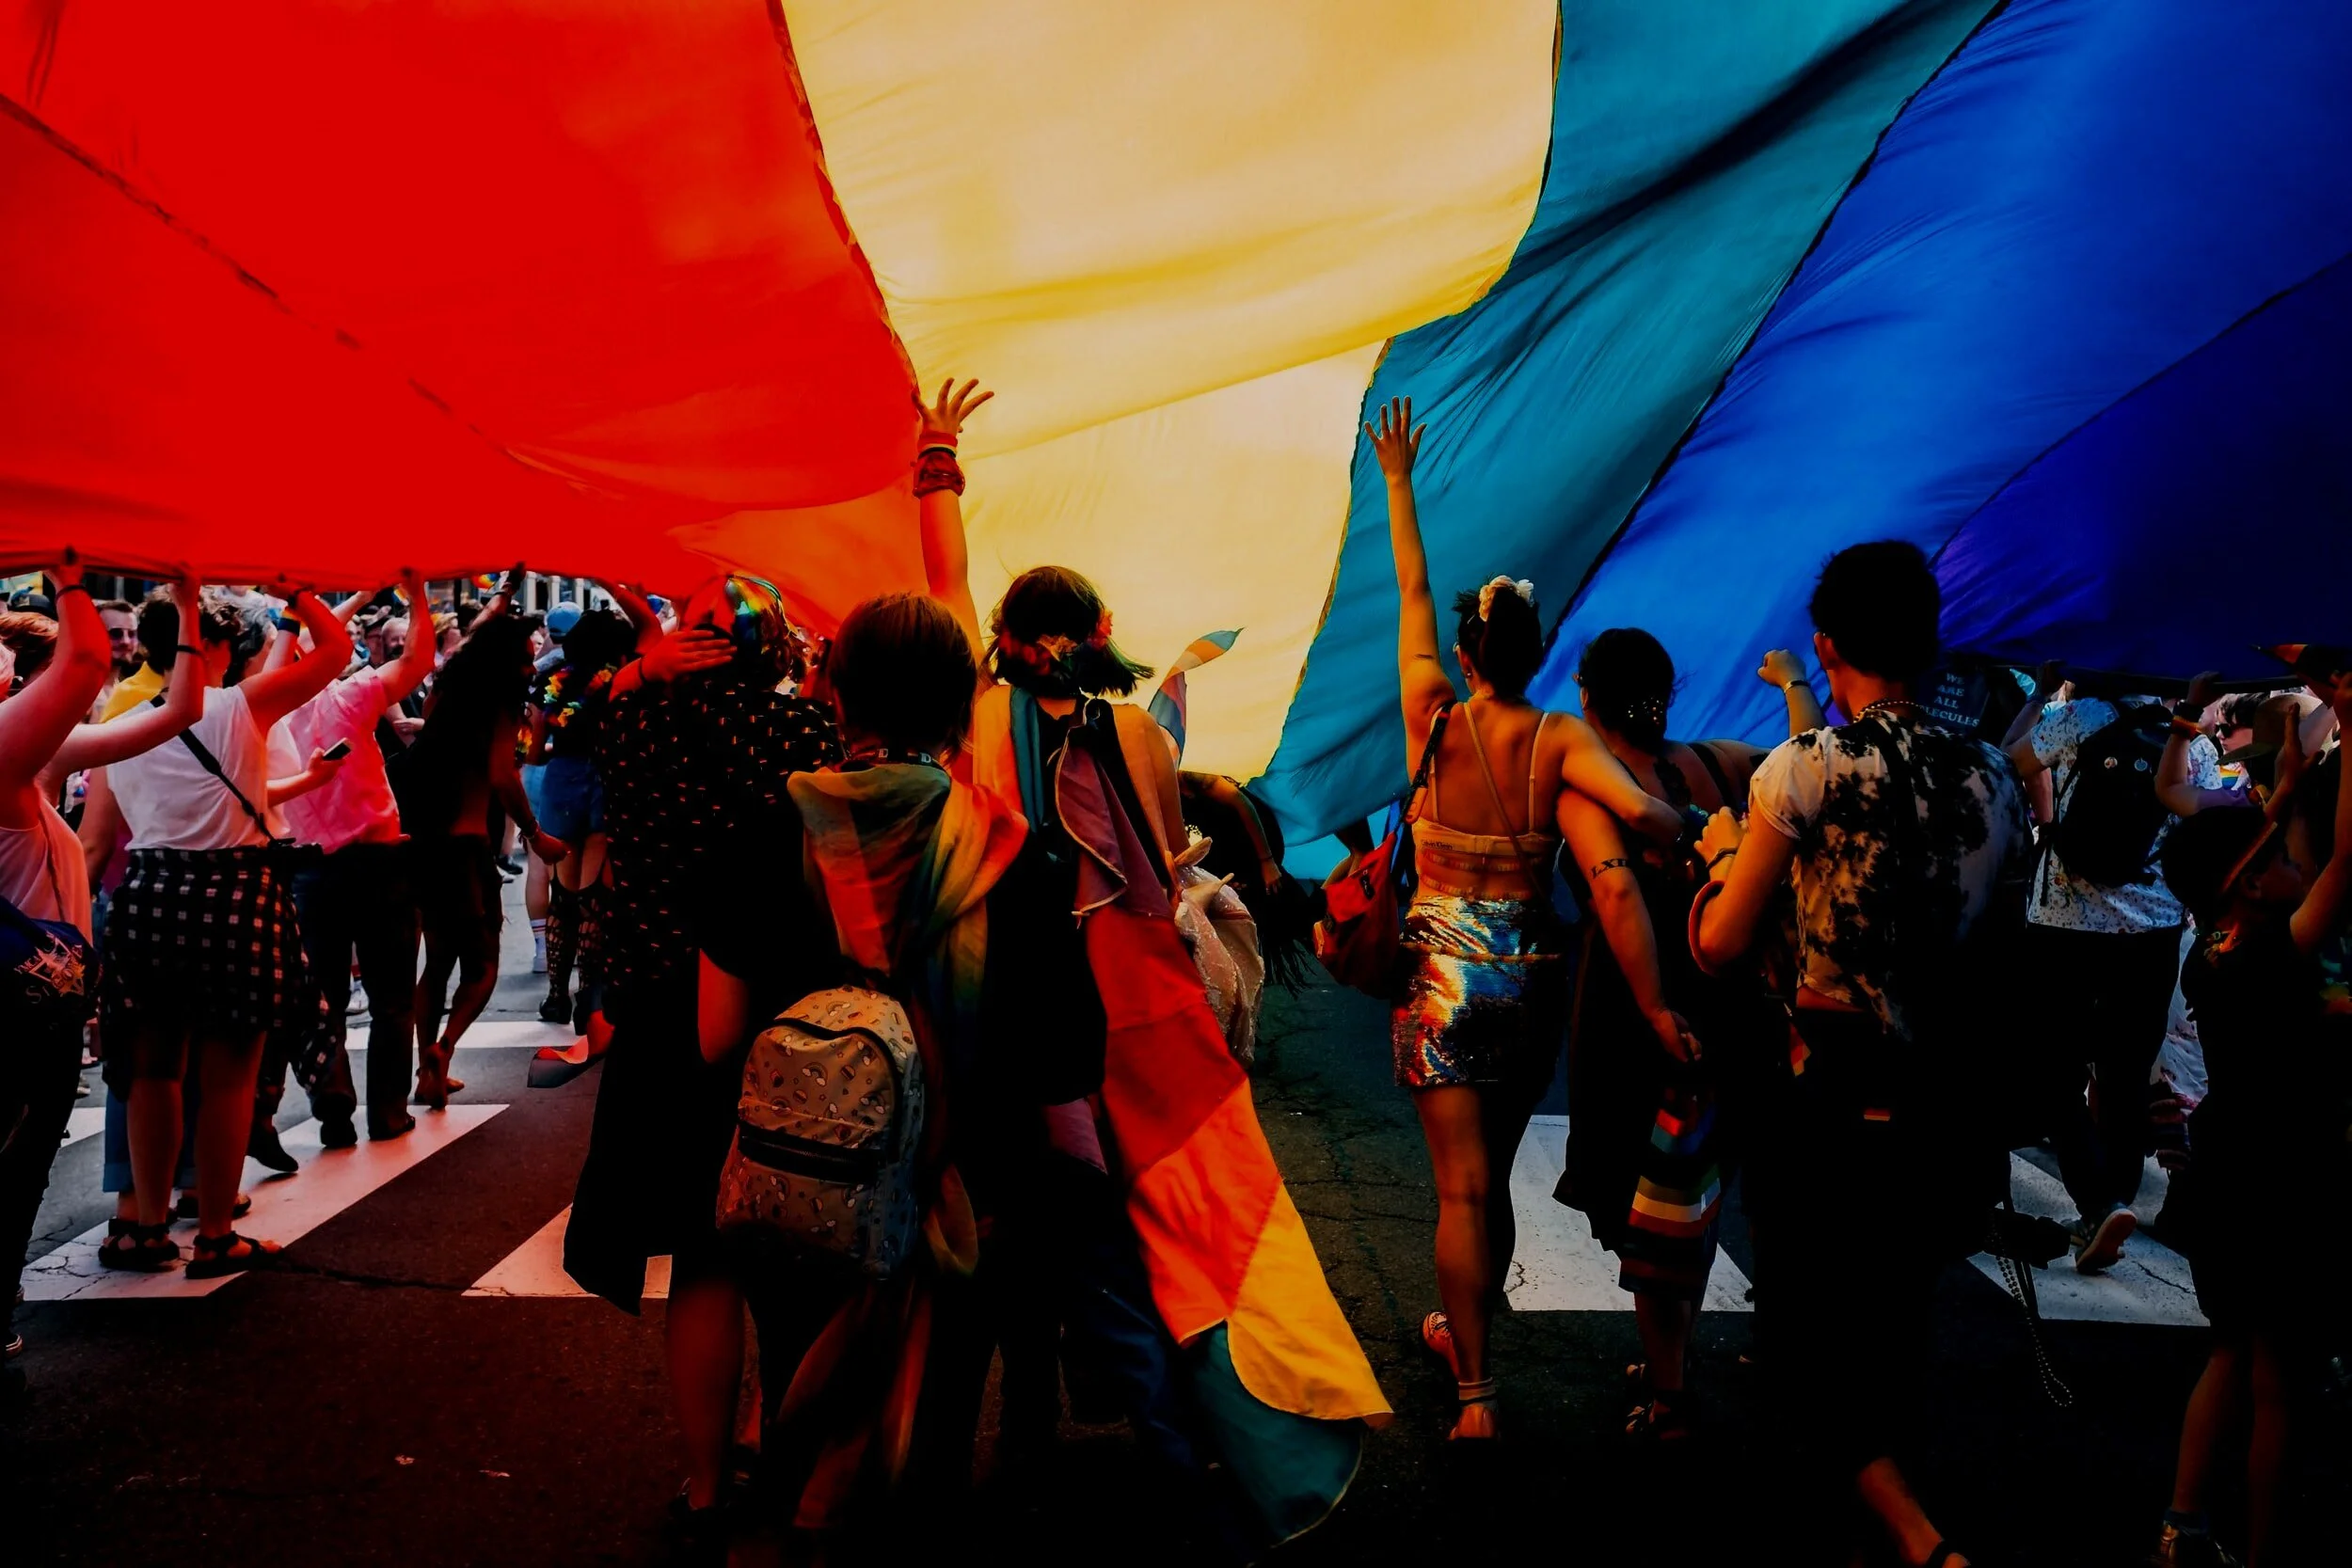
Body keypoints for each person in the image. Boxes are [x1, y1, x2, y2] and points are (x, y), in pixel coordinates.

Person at [1693, 540, 2033, 1568]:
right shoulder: (1995, 777)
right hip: (1944, 1094)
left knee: (1806, 1311)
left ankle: (1902, 1523)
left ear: (1826, 644)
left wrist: (1720, 859)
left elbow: (1720, 944)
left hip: (1829, 1091)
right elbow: (2002, 944)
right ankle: (1881, 1490)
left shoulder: (1807, 767)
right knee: (1895, 1308)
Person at [1367, 396, 1685, 1441]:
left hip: (1439, 974)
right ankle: (1469, 1334)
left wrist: (1399, 481)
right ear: (1538, 655)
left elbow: (1412, 588)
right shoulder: (1558, 738)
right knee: (1492, 1180)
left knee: (1457, 1190)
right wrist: (1700, 827)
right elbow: (1642, 812)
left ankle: (1474, 1393)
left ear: (1466, 653)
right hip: (1529, 977)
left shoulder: (1431, 715)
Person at [697, 590, 1023, 1544]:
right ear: (961, 705)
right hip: (965, 1193)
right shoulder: (1010, 851)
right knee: (934, 1433)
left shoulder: (771, 829)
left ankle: (800, 1523)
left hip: (804, 1186)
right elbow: (1060, 1054)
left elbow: (717, 1037)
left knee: (800, 1390)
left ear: (836, 697)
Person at [564, 574, 838, 1539]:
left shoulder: (636, 726)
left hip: (665, 1023)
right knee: (801, 1260)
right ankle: (792, 1471)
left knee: (704, 1261)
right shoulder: (805, 733)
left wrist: (640, 670)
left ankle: (710, 1488)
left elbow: (572, 717)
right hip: (786, 1021)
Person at [1556, 627, 1809, 1440]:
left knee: (1654, 1202)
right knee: (1701, 1190)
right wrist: (1793, 685)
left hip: (1644, 1011)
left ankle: (1669, 1394)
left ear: (1588, 699)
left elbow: (1616, 894)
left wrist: (1657, 1009)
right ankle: (1689, 1359)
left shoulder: (1590, 789)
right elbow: (1808, 761)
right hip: (1737, 1002)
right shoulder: (1726, 762)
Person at [2141, 671, 2352, 1568]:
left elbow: (2267, 846)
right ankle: (2263, 1553)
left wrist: (2291, 782)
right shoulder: (2280, 951)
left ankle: (2181, 1523)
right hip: (2281, 1178)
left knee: (2226, 1354)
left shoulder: (2214, 948)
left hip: (2223, 1172)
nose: (2294, 857)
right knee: (2278, 1385)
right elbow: (2347, 859)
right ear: (2255, 888)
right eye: (2278, 859)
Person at [97, 583, 353, 1276]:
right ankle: (214, 1234)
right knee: (229, 1076)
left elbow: (105, 833)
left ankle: (148, 1230)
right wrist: (294, 588)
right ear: (207, 644)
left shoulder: (121, 726)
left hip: (148, 894)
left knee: (152, 1071)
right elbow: (336, 650)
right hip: (236, 892)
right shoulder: (241, 704)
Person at [1, 566, 201, 1356]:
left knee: (24, 1163)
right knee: (14, 1164)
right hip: (15, 1003)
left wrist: (187, 607)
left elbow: (178, 711)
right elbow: (86, 662)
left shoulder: (30, 757)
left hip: (41, 1000)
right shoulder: (5, 755)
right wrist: (69, 572)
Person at [2004, 665, 2230, 1270]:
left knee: (2054, 1068)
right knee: (2126, 1071)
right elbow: (2204, 831)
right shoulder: (2196, 746)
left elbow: (2008, 764)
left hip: (2063, 923)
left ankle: (2099, 1203)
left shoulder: (2077, 718)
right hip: (2153, 929)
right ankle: (2118, 1199)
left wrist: (2041, 695)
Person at [278, 571, 439, 1144]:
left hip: (308, 870)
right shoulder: (351, 696)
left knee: (323, 997)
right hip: (377, 861)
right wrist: (417, 597)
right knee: (392, 997)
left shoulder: (263, 715)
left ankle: (333, 1100)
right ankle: (388, 1113)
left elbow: (316, 643)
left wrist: (351, 601)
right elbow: (417, 661)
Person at [395, 597, 566, 1108]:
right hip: (466, 848)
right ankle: (444, 1048)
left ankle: (426, 1067)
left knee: (436, 962)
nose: (533, 665)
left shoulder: (446, 692)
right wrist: (535, 833)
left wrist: (502, 596)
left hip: (424, 843)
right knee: (483, 965)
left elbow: (472, 645)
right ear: (506, 660)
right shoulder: (501, 702)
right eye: (527, 656)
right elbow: (501, 774)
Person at [524, 600, 645, 1027]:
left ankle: (556, 996)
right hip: (607, 779)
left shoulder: (549, 683)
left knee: (564, 894)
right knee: (594, 897)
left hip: (562, 781)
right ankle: (588, 998)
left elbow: (532, 752)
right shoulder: (624, 682)